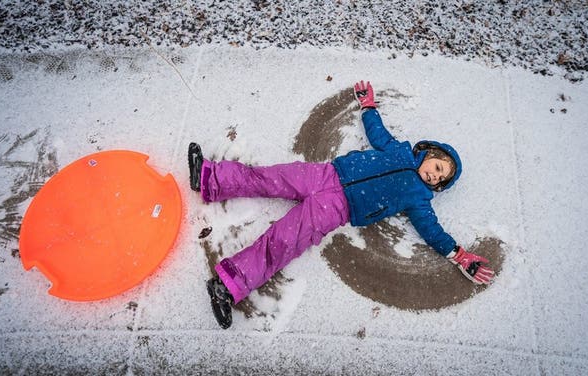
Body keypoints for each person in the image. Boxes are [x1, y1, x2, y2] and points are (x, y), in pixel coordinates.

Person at [189, 81, 494, 329]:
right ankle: (210, 178)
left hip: (337, 208)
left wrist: (459, 255)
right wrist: (369, 106)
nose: (433, 172)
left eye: (439, 177)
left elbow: (432, 231)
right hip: (326, 174)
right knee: (271, 177)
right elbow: (379, 133)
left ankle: (228, 287)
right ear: (428, 152)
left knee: (283, 241)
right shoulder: (399, 150)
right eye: (437, 164)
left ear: (437, 187)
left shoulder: (419, 199)